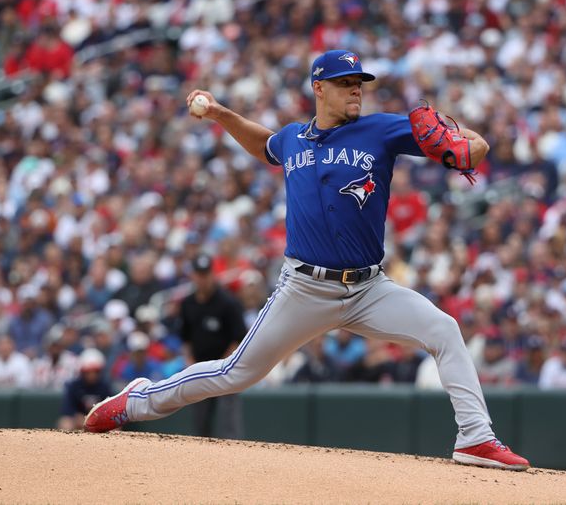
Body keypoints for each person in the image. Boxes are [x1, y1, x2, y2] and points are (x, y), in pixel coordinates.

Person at [84, 49, 529, 470]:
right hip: (305, 288)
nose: (356, 90)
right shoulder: (294, 138)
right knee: (235, 373)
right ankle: (136, 401)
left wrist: (464, 138)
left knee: (444, 329)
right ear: (319, 87)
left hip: (369, 288)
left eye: (360, 83)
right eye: (345, 83)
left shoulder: (381, 130)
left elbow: (474, 150)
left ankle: (475, 436)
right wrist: (221, 115)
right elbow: (265, 146)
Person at [178, 253, 247, 439]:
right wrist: (190, 361)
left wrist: (223, 363)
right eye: (199, 274)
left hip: (225, 369)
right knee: (200, 424)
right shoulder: (187, 303)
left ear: (212, 274)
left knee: (229, 425)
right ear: (193, 276)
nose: (202, 278)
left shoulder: (227, 302)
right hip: (200, 368)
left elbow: (239, 337)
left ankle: (233, 458)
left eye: (206, 274)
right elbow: (185, 337)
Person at [58, 348, 112, 430]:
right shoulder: (74, 386)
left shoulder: (104, 386)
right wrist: (78, 418)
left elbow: (111, 411)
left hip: (100, 422)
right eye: (88, 372)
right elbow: (67, 411)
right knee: (65, 423)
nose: (92, 375)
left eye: (95, 371)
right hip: (79, 422)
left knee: (115, 427)